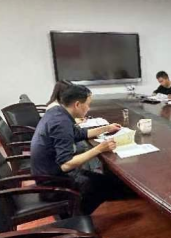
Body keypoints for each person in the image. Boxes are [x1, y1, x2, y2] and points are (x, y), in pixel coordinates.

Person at [31, 84, 124, 215]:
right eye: (88, 104)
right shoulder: (61, 123)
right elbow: (66, 164)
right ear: (77, 105)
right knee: (103, 186)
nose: (89, 108)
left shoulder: (58, 112)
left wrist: (106, 128)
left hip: (48, 172)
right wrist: (99, 149)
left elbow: (79, 134)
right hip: (52, 182)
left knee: (108, 182)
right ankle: (75, 217)